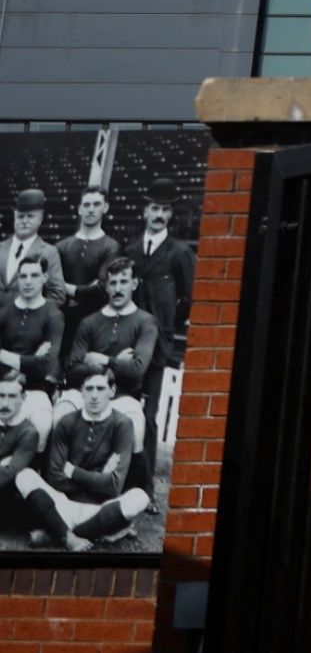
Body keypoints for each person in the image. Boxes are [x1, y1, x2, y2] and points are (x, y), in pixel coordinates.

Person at [18, 367, 150, 550]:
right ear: (81, 391)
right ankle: (72, 535)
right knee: (24, 475)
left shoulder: (122, 425)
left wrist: (73, 471)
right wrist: (100, 476)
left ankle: (57, 534)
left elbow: (113, 487)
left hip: (98, 508)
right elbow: (55, 479)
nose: (94, 395)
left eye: (100, 388)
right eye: (89, 389)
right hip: (62, 503)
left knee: (139, 498)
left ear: (112, 391)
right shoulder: (67, 422)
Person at [121, 189, 193, 461]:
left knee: (149, 417)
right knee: (123, 410)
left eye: (165, 210)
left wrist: (166, 325)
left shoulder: (180, 252)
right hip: (127, 342)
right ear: (145, 212)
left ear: (171, 214)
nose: (159, 215)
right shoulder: (130, 250)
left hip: (158, 346)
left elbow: (188, 298)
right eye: (155, 209)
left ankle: (146, 487)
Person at [62, 261, 153, 475]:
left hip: (123, 395)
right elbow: (72, 370)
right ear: (106, 286)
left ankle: (137, 490)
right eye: (113, 283)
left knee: (136, 426)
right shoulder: (89, 322)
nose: (118, 288)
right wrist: (117, 363)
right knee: (61, 414)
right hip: (85, 392)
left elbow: (137, 369)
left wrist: (101, 360)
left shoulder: (145, 322)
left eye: (124, 282)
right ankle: (53, 480)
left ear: (134, 284)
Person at [0, 257, 61, 424]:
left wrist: (3, 355)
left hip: (35, 389)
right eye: (23, 276)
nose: (28, 282)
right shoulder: (4, 311)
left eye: (34, 275)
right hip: (1, 386)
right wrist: (32, 358)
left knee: (42, 423)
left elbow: (45, 365)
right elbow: (36, 363)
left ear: (45, 278)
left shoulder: (53, 315)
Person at [56, 188, 119, 309]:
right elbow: (50, 283)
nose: (91, 210)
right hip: (64, 315)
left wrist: (67, 288)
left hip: (96, 316)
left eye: (96, 204)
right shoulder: (61, 246)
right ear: (80, 209)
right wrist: (87, 290)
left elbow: (102, 288)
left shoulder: (112, 247)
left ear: (105, 207)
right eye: (86, 205)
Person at [1, 192, 64, 310]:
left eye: (30, 216)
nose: (24, 221)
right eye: (20, 216)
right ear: (15, 216)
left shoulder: (49, 252)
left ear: (40, 219)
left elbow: (57, 294)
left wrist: (31, 316)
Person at [0, 369, 41, 545]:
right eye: (1, 396)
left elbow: (8, 473)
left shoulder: (29, 432)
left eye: (12, 396)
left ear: (23, 398)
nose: (4, 403)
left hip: (9, 500)